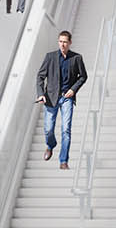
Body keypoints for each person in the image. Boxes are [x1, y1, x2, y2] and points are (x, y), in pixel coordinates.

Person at [35, 30, 88, 169]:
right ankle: (50, 145)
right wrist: (41, 94)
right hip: (51, 97)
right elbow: (40, 76)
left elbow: (83, 76)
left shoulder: (77, 58)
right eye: (60, 41)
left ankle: (63, 161)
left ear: (70, 43)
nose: (62, 44)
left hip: (67, 98)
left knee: (66, 130)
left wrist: (73, 89)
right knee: (48, 129)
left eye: (65, 42)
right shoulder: (50, 57)